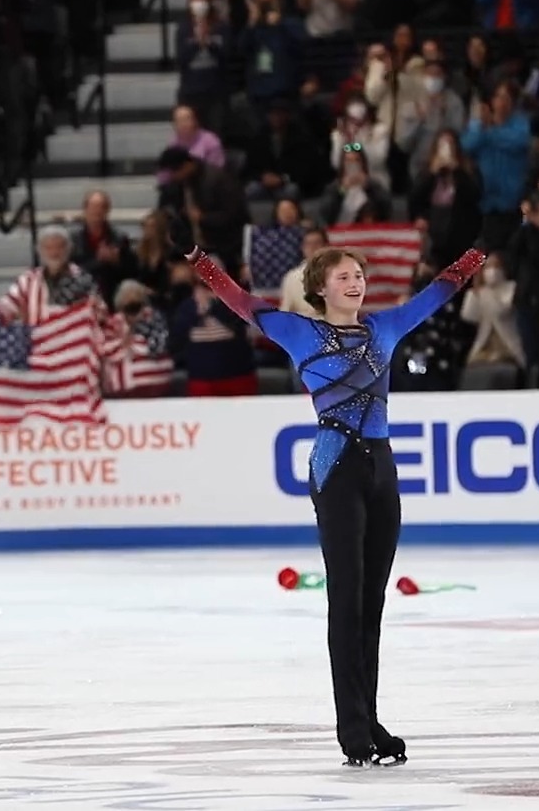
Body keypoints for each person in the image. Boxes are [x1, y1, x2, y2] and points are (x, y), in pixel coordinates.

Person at [167, 210, 485, 767]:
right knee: (346, 598)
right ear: (318, 289)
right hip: (335, 469)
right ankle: (353, 730)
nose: (355, 281)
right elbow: (240, 300)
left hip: (382, 470)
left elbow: (440, 291)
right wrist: (196, 257)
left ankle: (371, 717)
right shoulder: (300, 330)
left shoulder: (385, 328)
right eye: (342, 276)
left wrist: (481, 249)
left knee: (373, 604)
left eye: (358, 274)